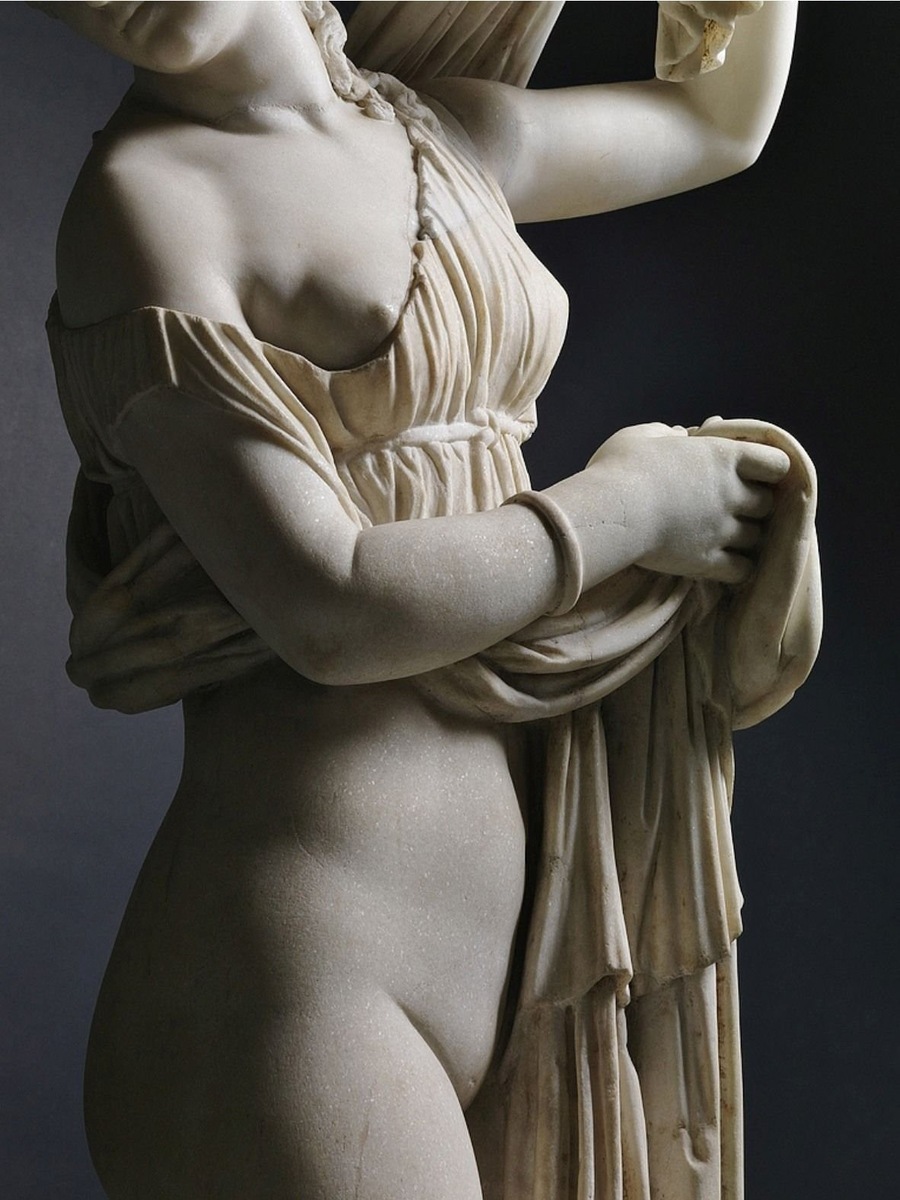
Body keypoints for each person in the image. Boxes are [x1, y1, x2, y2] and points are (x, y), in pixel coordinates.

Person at [39, 3, 819, 1197]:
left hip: (516, 953)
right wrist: (633, 507)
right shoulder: (148, 207)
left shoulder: (434, 133)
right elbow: (330, 607)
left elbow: (718, 121)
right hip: (294, 989)